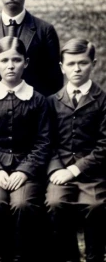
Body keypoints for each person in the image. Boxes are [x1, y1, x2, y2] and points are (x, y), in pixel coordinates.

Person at [0, 36, 51, 262]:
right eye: (4, 60)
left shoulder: (38, 100)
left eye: (16, 60)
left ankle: (21, 256)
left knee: (22, 204)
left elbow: (43, 142)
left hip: (27, 169)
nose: (10, 65)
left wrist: (24, 170)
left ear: (25, 62)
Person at [46, 38, 106, 262]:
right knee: (54, 203)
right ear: (62, 67)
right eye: (70, 64)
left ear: (94, 64)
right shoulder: (52, 102)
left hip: (92, 175)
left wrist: (74, 170)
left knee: (95, 206)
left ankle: (94, 256)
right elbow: (47, 142)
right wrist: (54, 170)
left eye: (83, 63)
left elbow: (104, 146)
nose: (77, 69)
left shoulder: (102, 101)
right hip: (59, 171)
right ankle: (68, 256)